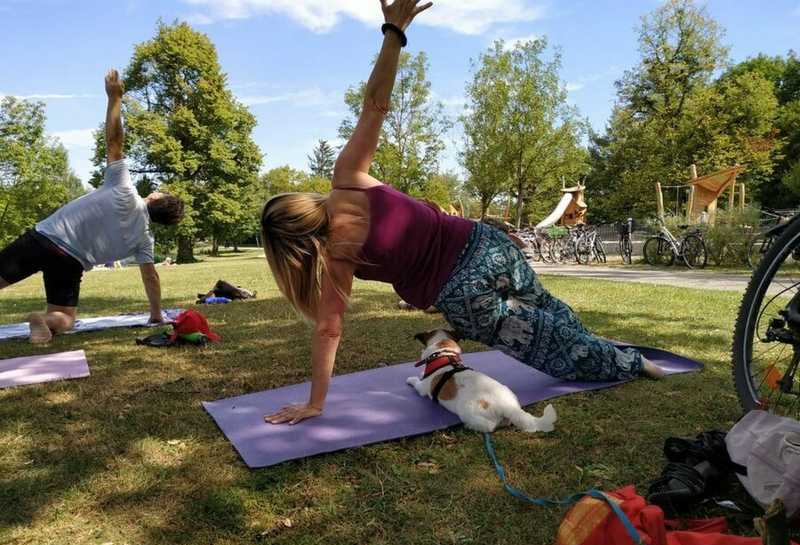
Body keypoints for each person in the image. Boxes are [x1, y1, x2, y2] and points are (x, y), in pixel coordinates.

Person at [261, 0, 664, 426]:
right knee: (545, 307)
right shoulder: (347, 177)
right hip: (486, 244)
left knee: (550, 347)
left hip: (464, 294)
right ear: (300, 202)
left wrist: (315, 403)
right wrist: (394, 33)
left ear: (293, 246)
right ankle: (608, 349)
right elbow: (375, 105)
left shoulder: (340, 257)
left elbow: (328, 330)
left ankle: (629, 363)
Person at [0, 69, 185, 343]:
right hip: (70, 262)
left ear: (156, 199)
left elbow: (114, 143)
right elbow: (151, 277)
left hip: (45, 238)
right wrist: (156, 315)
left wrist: (114, 98)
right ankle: (47, 321)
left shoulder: (123, 188)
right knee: (65, 318)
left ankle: (45, 322)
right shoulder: (144, 240)